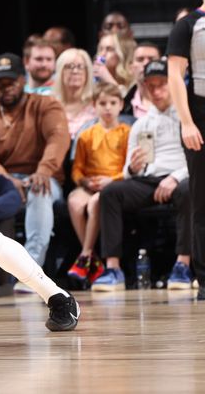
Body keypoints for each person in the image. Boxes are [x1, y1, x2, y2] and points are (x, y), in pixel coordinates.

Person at [92, 60, 192, 291]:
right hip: (148, 180)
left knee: (189, 191)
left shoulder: (187, 116)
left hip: (181, 178)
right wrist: (133, 168)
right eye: (151, 86)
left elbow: (199, 160)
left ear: (173, 84)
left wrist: (175, 177)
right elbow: (128, 169)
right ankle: (113, 268)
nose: (156, 91)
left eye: (162, 85)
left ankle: (183, 265)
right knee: (111, 193)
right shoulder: (141, 123)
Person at [0, 53, 71, 272]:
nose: (6, 88)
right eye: (1, 83)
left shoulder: (46, 105)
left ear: (23, 80)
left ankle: (31, 268)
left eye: (12, 82)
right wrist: (7, 181)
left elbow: (58, 138)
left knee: (39, 189)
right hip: (6, 181)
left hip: (44, 176)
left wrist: (44, 170)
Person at [166, 0, 205, 296]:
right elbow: (174, 76)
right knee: (202, 201)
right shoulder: (188, 25)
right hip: (200, 117)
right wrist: (187, 122)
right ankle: (204, 279)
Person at [65, 83, 129, 287]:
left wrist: (113, 179)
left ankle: (84, 256)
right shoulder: (87, 135)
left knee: (94, 204)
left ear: (121, 105)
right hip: (91, 183)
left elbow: (130, 167)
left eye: (112, 103)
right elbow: (77, 169)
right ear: (94, 105)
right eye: (102, 103)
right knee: (74, 201)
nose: (108, 108)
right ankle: (93, 259)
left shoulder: (127, 132)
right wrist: (84, 181)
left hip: (115, 183)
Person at [53, 49, 98, 140]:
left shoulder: (97, 104)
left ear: (87, 72)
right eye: (69, 66)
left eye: (80, 66)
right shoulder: (50, 105)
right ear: (60, 71)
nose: (75, 71)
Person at [122, 42, 161, 118]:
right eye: (140, 59)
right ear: (131, 68)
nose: (146, 63)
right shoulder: (122, 106)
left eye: (151, 59)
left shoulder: (177, 102)